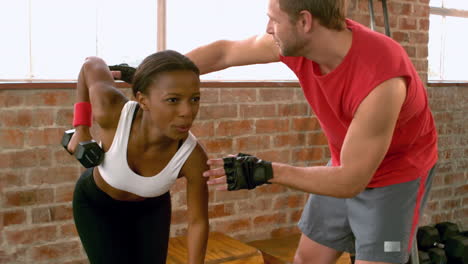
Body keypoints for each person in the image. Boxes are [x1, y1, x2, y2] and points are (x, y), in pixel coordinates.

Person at [185, 0, 438, 263]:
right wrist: (156, 69)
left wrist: (265, 171)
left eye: (274, 19)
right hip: (344, 163)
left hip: (395, 175)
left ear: (305, 21)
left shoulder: (381, 81)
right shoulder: (297, 46)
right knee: (306, 259)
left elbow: (350, 181)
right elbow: (224, 53)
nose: (268, 28)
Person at [69, 50, 209, 264]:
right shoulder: (111, 111)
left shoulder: (193, 158)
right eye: (173, 100)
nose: (187, 111)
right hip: (97, 205)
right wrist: (81, 129)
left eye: (194, 99)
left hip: (151, 210)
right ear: (143, 100)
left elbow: (198, 222)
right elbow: (91, 64)